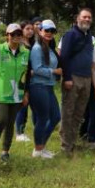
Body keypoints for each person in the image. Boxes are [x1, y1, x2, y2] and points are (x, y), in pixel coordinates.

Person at [0, 23, 30, 164]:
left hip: (16, 95)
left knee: (10, 123)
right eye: (13, 34)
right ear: (7, 35)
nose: (16, 37)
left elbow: (27, 75)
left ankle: (5, 151)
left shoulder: (26, 53)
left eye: (19, 34)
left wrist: (26, 93)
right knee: (1, 120)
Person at [59, 8, 95, 155]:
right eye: (84, 17)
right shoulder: (70, 35)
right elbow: (64, 57)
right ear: (77, 18)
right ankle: (65, 146)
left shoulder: (89, 36)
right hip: (72, 77)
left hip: (86, 78)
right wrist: (67, 78)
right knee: (68, 111)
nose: (87, 19)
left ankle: (72, 143)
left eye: (89, 17)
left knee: (79, 113)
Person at [28, 20, 62, 159]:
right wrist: (54, 71)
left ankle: (42, 146)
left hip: (48, 87)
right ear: (40, 31)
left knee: (55, 117)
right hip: (38, 86)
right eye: (46, 30)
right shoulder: (37, 48)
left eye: (52, 31)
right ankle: (37, 150)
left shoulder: (49, 47)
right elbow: (36, 69)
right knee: (43, 118)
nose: (49, 33)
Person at [14, 20, 36, 142]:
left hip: (32, 78)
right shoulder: (20, 44)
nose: (30, 31)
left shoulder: (32, 44)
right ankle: (19, 132)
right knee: (23, 105)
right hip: (22, 78)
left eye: (31, 29)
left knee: (30, 103)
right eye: (27, 28)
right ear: (21, 30)